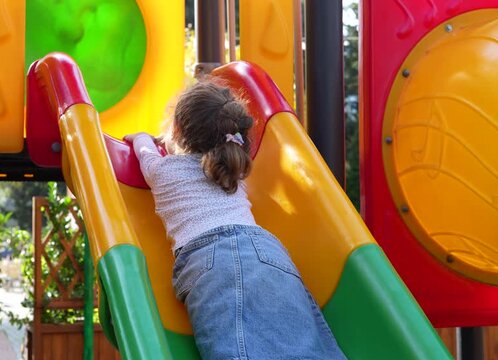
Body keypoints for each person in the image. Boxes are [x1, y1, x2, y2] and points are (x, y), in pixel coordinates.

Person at [125, 81, 346, 360]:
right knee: (298, 337)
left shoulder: (164, 170)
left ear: (178, 130)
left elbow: (145, 153)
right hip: (268, 251)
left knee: (238, 347)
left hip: (212, 259)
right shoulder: (231, 171)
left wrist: (141, 138)